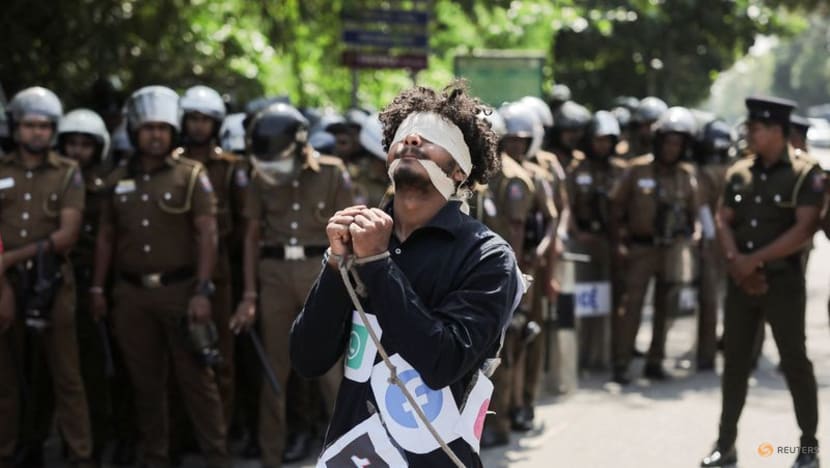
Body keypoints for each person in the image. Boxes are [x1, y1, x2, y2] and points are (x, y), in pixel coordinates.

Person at [290, 82, 521, 467]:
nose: (412, 139)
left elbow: (442, 362)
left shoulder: (487, 256)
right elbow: (308, 359)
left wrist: (378, 264)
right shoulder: (359, 237)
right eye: (404, 134)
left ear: (459, 170)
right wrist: (335, 265)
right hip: (354, 455)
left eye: (433, 137)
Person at [90, 85, 230, 468]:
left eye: (163, 128)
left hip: (181, 291)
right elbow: (105, 237)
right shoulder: (118, 179)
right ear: (135, 131)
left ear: (173, 132)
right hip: (132, 297)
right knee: (146, 385)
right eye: (148, 128)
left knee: (198, 381)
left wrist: (202, 289)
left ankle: (217, 457)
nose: (155, 135)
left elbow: (207, 234)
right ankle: (156, 457)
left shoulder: (190, 175)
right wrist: (98, 288)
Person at [701, 97, 822, 468]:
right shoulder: (740, 171)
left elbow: (805, 228)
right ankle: (725, 444)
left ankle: (808, 448)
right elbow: (723, 219)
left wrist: (755, 261)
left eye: (755, 128)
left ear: (776, 130)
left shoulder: (806, 173)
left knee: (795, 362)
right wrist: (738, 263)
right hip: (742, 283)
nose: (749, 134)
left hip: (782, 284)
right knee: (735, 362)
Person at [230, 102, 354, 467]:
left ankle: (347, 452)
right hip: (274, 276)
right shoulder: (259, 175)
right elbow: (251, 236)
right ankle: (271, 455)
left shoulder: (333, 173)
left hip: (322, 272)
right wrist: (249, 294)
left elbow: (349, 228)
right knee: (274, 371)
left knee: (333, 372)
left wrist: (348, 284)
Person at [0, 86, 95, 468]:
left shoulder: (68, 172)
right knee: (5, 380)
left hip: (52, 283)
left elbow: (67, 236)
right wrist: (3, 281)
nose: (37, 132)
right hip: (4, 285)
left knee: (66, 377)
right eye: (29, 125)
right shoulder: (1, 170)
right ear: (16, 127)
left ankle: (80, 455)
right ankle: (6, 452)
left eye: (44, 126)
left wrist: (9, 261)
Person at [610, 106, 701, 384]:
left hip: (671, 250)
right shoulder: (637, 169)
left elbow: (695, 215)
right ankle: (622, 363)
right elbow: (616, 206)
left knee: (666, 306)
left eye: (678, 143)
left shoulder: (686, 175)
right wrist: (621, 241)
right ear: (658, 141)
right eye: (668, 141)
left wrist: (692, 237)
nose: (672, 148)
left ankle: (655, 361)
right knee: (632, 306)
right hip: (641, 249)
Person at [57, 108, 120, 463]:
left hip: (98, 286)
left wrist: (99, 288)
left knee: (99, 368)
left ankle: (104, 438)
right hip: (54, 284)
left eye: (85, 144)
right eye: (71, 143)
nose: (77, 151)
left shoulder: (105, 188)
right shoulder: (53, 183)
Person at [567, 110, 628, 370]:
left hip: (612, 242)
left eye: (608, 140)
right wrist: (577, 233)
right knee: (584, 300)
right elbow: (566, 206)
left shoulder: (622, 171)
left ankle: (606, 356)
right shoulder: (575, 169)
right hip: (584, 241)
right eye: (598, 139)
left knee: (613, 301)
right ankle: (581, 356)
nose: (602, 145)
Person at [692, 117, 733, 371]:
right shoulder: (736, 170)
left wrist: (708, 237)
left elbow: (703, 209)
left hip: (715, 242)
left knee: (709, 302)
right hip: (733, 242)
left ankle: (707, 355)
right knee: (735, 301)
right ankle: (735, 349)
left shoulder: (704, 174)